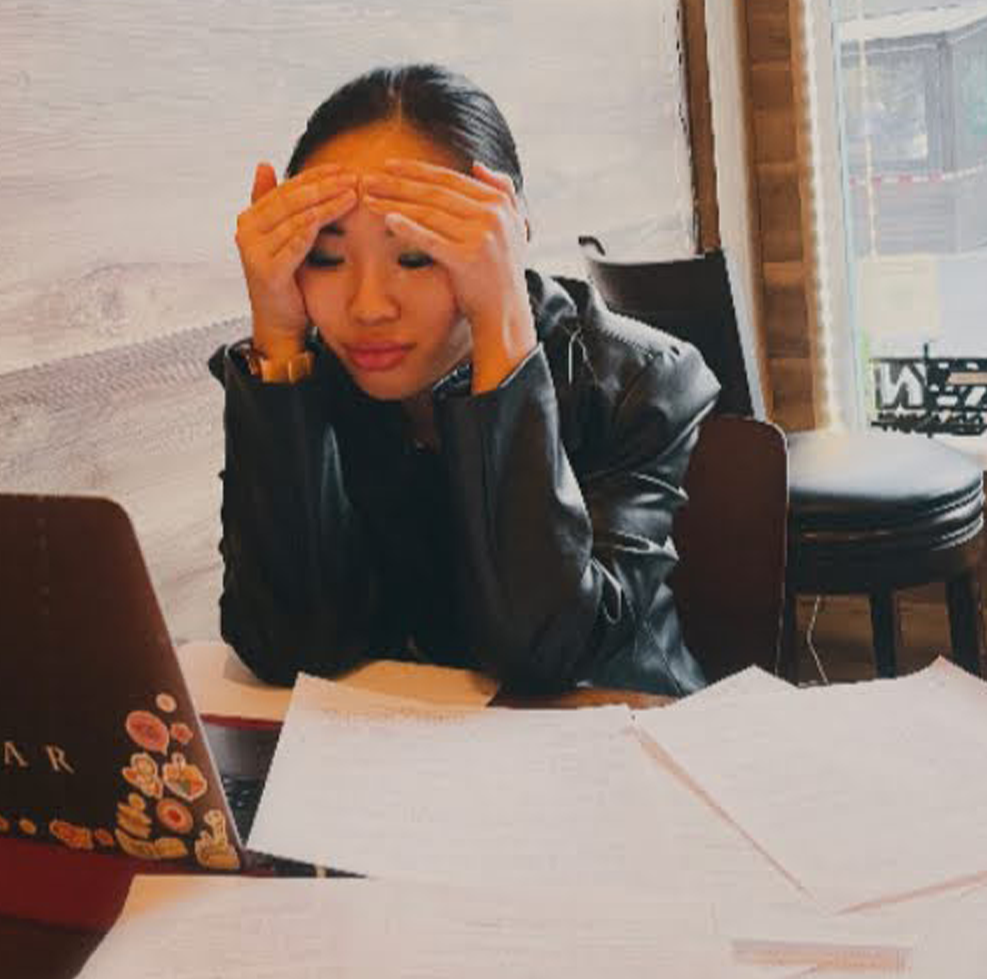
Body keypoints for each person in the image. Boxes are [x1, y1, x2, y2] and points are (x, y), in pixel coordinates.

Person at [211, 64, 721, 696]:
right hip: (396, 762)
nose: (369, 306)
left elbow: (546, 657)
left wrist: (501, 326)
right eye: (326, 255)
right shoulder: (310, 374)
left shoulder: (640, 383)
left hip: (615, 747)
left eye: (418, 255)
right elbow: (286, 644)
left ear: (508, 235)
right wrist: (279, 343)